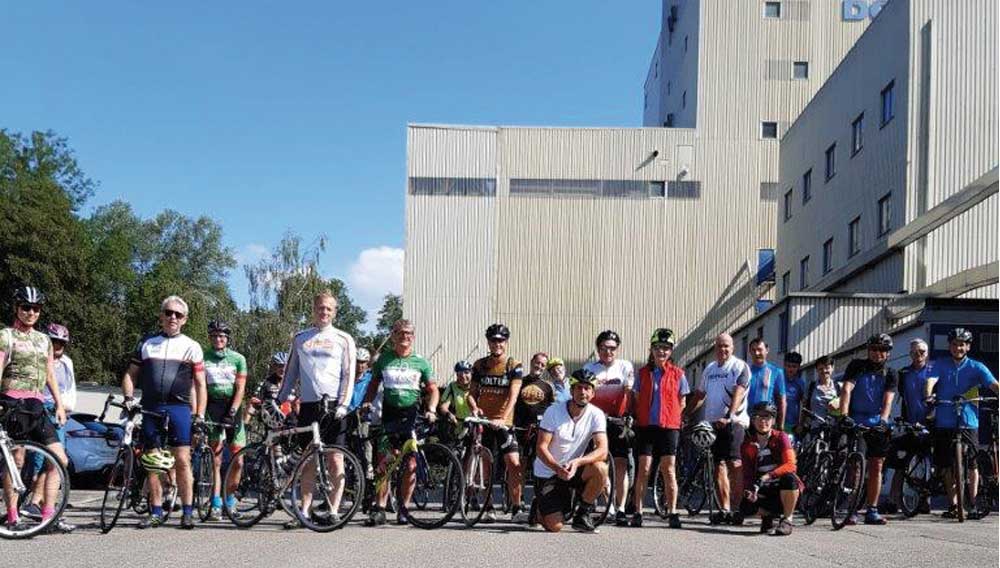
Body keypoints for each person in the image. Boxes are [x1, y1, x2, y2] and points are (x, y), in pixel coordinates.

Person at [122, 295, 207, 529]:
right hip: (151, 407)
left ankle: (188, 511)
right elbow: (130, 374)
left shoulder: (192, 346)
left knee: (182, 460)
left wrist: (199, 414)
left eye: (178, 315)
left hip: (179, 407)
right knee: (153, 462)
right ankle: (156, 510)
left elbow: (200, 384)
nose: (172, 317)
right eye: (168, 313)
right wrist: (129, 398)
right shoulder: (146, 343)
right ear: (161, 315)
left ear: (185, 320)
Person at [277, 290, 357, 529]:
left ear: (334, 312)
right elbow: (290, 373)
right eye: (320, 308)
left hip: (334, 405)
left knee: (335, 458)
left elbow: (348, 374)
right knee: (307, 460)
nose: (324, 312)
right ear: (314, 310)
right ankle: (304, 510)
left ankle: (333, 510)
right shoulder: (301, 338)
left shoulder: (344, 338)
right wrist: (278, 400)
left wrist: (344, 403)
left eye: (329, 309)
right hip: (309, 406)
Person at [0, 288, 74, 533]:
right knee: (17, 460)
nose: (31, 312)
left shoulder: (44, 340)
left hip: (37, 405)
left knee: (59, 460)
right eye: (26, 307)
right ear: (17, 308)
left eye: (36, 309)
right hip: (13, 402)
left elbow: (50, 374)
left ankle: (48, 515)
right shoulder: (6, 335)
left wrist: (60, 405)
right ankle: (12, 515)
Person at [363, 319, 438, 526]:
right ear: (393, 335)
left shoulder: (421, 362)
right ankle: (379, 508)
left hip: (411, 415)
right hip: (388, 414)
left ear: (413, 337)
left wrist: (431, 409)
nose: (404, 336)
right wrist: (367, 403)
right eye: (400, 332)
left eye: (408, 333)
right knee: (383, 463)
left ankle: (404, 509)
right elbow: (373, 383)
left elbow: (433, 389)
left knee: (411, 464)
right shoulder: (384, 359)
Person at [928, 327, 998, 520]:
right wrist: (928, 394)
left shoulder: (977, 366)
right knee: (947, 466)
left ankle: (973, 503)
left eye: (962, 344)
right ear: (949, 346)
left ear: (967, 347)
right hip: (945, 419)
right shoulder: (940, 364)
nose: (958, 348)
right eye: (954, 344)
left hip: (969, 421)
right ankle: (954, 504)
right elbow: (931, 380)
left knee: (972, 464)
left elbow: (993, 383)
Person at [533, 369, 609, 533]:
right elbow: (541, 448)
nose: (583, 392)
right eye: (579, 387)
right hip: (548, 471)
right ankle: (538, 507)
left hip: (571, 469)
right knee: (555, 526)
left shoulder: (596, 414)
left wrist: (578, 462)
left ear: (593, 393)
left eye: (587, 388)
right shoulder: (553, 411)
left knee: (601, 468)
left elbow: (602, 450)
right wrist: (556, 468)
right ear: (571, 390)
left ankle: (582, 514)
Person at [630, 328, 689, 528]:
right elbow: (637, 398)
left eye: (666, 348)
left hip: (669, 427)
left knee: (669, 469)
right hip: (646, 426)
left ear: (671, 351)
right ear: (651, 349)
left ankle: (672, 512)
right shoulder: (643, 373)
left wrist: (672, 417)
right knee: (643, 469)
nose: (661, 352)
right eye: (658, 348)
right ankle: (637, 512)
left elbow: (683, 402)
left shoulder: (678, 374)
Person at [689, 333, 750, 525]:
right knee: (718, 467)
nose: (722, 349)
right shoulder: (709, 369)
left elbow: (739, 392)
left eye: (726, 346)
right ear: (714, 348)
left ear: (732, 348)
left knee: (734, 465)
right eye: (719, 346)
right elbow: (700, 394)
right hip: (712, 425)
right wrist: (685, 414)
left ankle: (737, 510)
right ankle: (724, 510)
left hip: (734, 423)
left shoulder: (739, 366)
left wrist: (729, 416)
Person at [838, 333, 897, 525]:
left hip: (877, 423)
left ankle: (872, 510)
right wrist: (844, 414)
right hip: (856, 421)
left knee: (876, 467)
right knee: (856, 466)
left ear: (887, 353)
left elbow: (888, 399)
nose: (877, 353)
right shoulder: (857, 365)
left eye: (882, 350)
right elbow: (847, 389)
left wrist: (884, 419)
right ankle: (852, 508)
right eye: (873, 349)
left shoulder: (891, 373)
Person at [22, 324, 77, 526]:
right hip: (40, 408)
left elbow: (69, 388)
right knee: (41, 461)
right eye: (54, 341)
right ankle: (36, 504)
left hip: (58, 411)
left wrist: (65, 408)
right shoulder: (39, 359)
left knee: (56, 461)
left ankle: (42, 507)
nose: (58, 346)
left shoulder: (66, 363)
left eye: (62, 342)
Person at [471, 323, 526, 522]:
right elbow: (472, 394)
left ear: (506, 342)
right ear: (488, 342)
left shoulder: (514, 365)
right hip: (484, 423)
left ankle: (517, 507)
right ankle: (488, 507)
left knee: (514, 463)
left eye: (501, 340)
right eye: (493, 340)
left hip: (504, 423)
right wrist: (474, 408)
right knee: (485, 466)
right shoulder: (479, 365)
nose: (497, 344)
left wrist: (503, 418)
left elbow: (513, 395)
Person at [583, 330, 634, 525]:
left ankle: (620, 508)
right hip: (596, 422)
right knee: (601, 463)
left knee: (620, 464)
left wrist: (629, 414)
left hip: (618, 420)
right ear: (598, 348)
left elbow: (629, 392)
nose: (608, 352)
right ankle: (609, 505)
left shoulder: (625, 366)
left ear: (617, 349)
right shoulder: (590, 368)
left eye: (612, 348)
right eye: (604, 348)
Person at [201, 320, 248, 520]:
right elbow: (199, 386)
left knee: (238, 459)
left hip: (232, 407)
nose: (218, 339)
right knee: (216, 459)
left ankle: (231, 501)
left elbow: (240, 388)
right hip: (212, 406)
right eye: (214, 336)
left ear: (227, 339)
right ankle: (216, 503)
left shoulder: (238, 358)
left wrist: (234, 410)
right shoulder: (203, 357)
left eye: (222, 336)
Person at [740, 402, 802, 536]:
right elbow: (747, 474)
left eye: (767, 417)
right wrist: (750, 491)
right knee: (745, 506)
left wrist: (768, 476)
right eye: (758, 417)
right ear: (753, 420)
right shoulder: (748, 444)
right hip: (764, 491)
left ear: (773, 420)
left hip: (784, 490)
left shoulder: (781, 437)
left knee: (789, 478)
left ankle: (787, 520)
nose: (763, 421)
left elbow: (791, 465)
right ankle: (767, 517)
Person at [515, 352, 555, 459]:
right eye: (537, 363)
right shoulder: (519, 382)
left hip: (539, 430)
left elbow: (551, 408)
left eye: (543, 365)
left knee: (537, 459)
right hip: (519, 428)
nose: (539, 366)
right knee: (518, 460)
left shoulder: (548, 386)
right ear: (532, 362)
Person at [746, 338, 787, 429]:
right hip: (747, 422)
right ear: (749, 352)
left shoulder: (776, 372)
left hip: (766, 423)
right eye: (753, 350)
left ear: (767, 350)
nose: (756, 353)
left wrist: (781, 426)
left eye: (759, 350)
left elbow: (782, 401)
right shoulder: (745, 372)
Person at [438, 360, 479, 439]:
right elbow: (443, 407)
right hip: (459, 426)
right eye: (460, 373)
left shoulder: (477, 387)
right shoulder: (452, 386)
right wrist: (449, 414)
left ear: (472, 373)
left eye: (466, 372)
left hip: (476, 425)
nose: (463, 376)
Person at [799, 355, 839, 431]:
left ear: (832, 368)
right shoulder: (811, 387)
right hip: (814, 429)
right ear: (816, 370)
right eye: (821, 369)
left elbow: (844, 408)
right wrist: (801, 424)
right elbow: (804, 408)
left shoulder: (838, 387)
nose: (824, 371)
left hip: (833, 430)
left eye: (827, 368)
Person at [782, 352, 807, 437]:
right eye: (788, 366)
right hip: (777, 422)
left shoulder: (800, 383)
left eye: (794, 366)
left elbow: (804, 405)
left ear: (798, 367)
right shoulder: (778, 379)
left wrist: (801, 424)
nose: (791, 369)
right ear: (784, 365)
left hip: (792, 424)